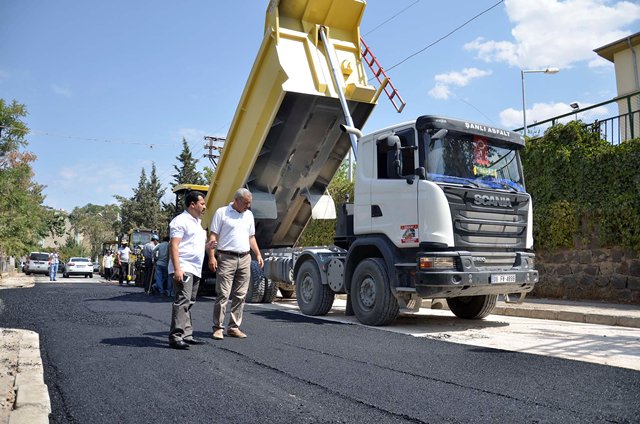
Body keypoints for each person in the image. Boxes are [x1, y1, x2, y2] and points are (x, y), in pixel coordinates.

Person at [208, 188, 263, 340]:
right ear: (236, 200)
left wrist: (257, 254)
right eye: (246, 203)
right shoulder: (222, 213)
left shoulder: (249, 215)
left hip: (245, 258)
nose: (248, 206)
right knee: (223, 294)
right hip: (226, 258)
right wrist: (211, 257)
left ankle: (234, 327)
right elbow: (213, 236)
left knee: (240, 295)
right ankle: (218, 327)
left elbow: (251, 237)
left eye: (250, 203)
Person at [168, 191, 207, 350]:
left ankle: (187, 334)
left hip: (195, 268)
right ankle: (175, 337)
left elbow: (192, 245)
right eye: (202, 203)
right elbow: (174, 245)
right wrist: (178, 269)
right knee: (182, 300)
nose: (204, 206)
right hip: (184, 267)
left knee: (189, 301)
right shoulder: (180, 221)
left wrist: (208, 247)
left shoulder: (197, 222)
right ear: (192, 204)